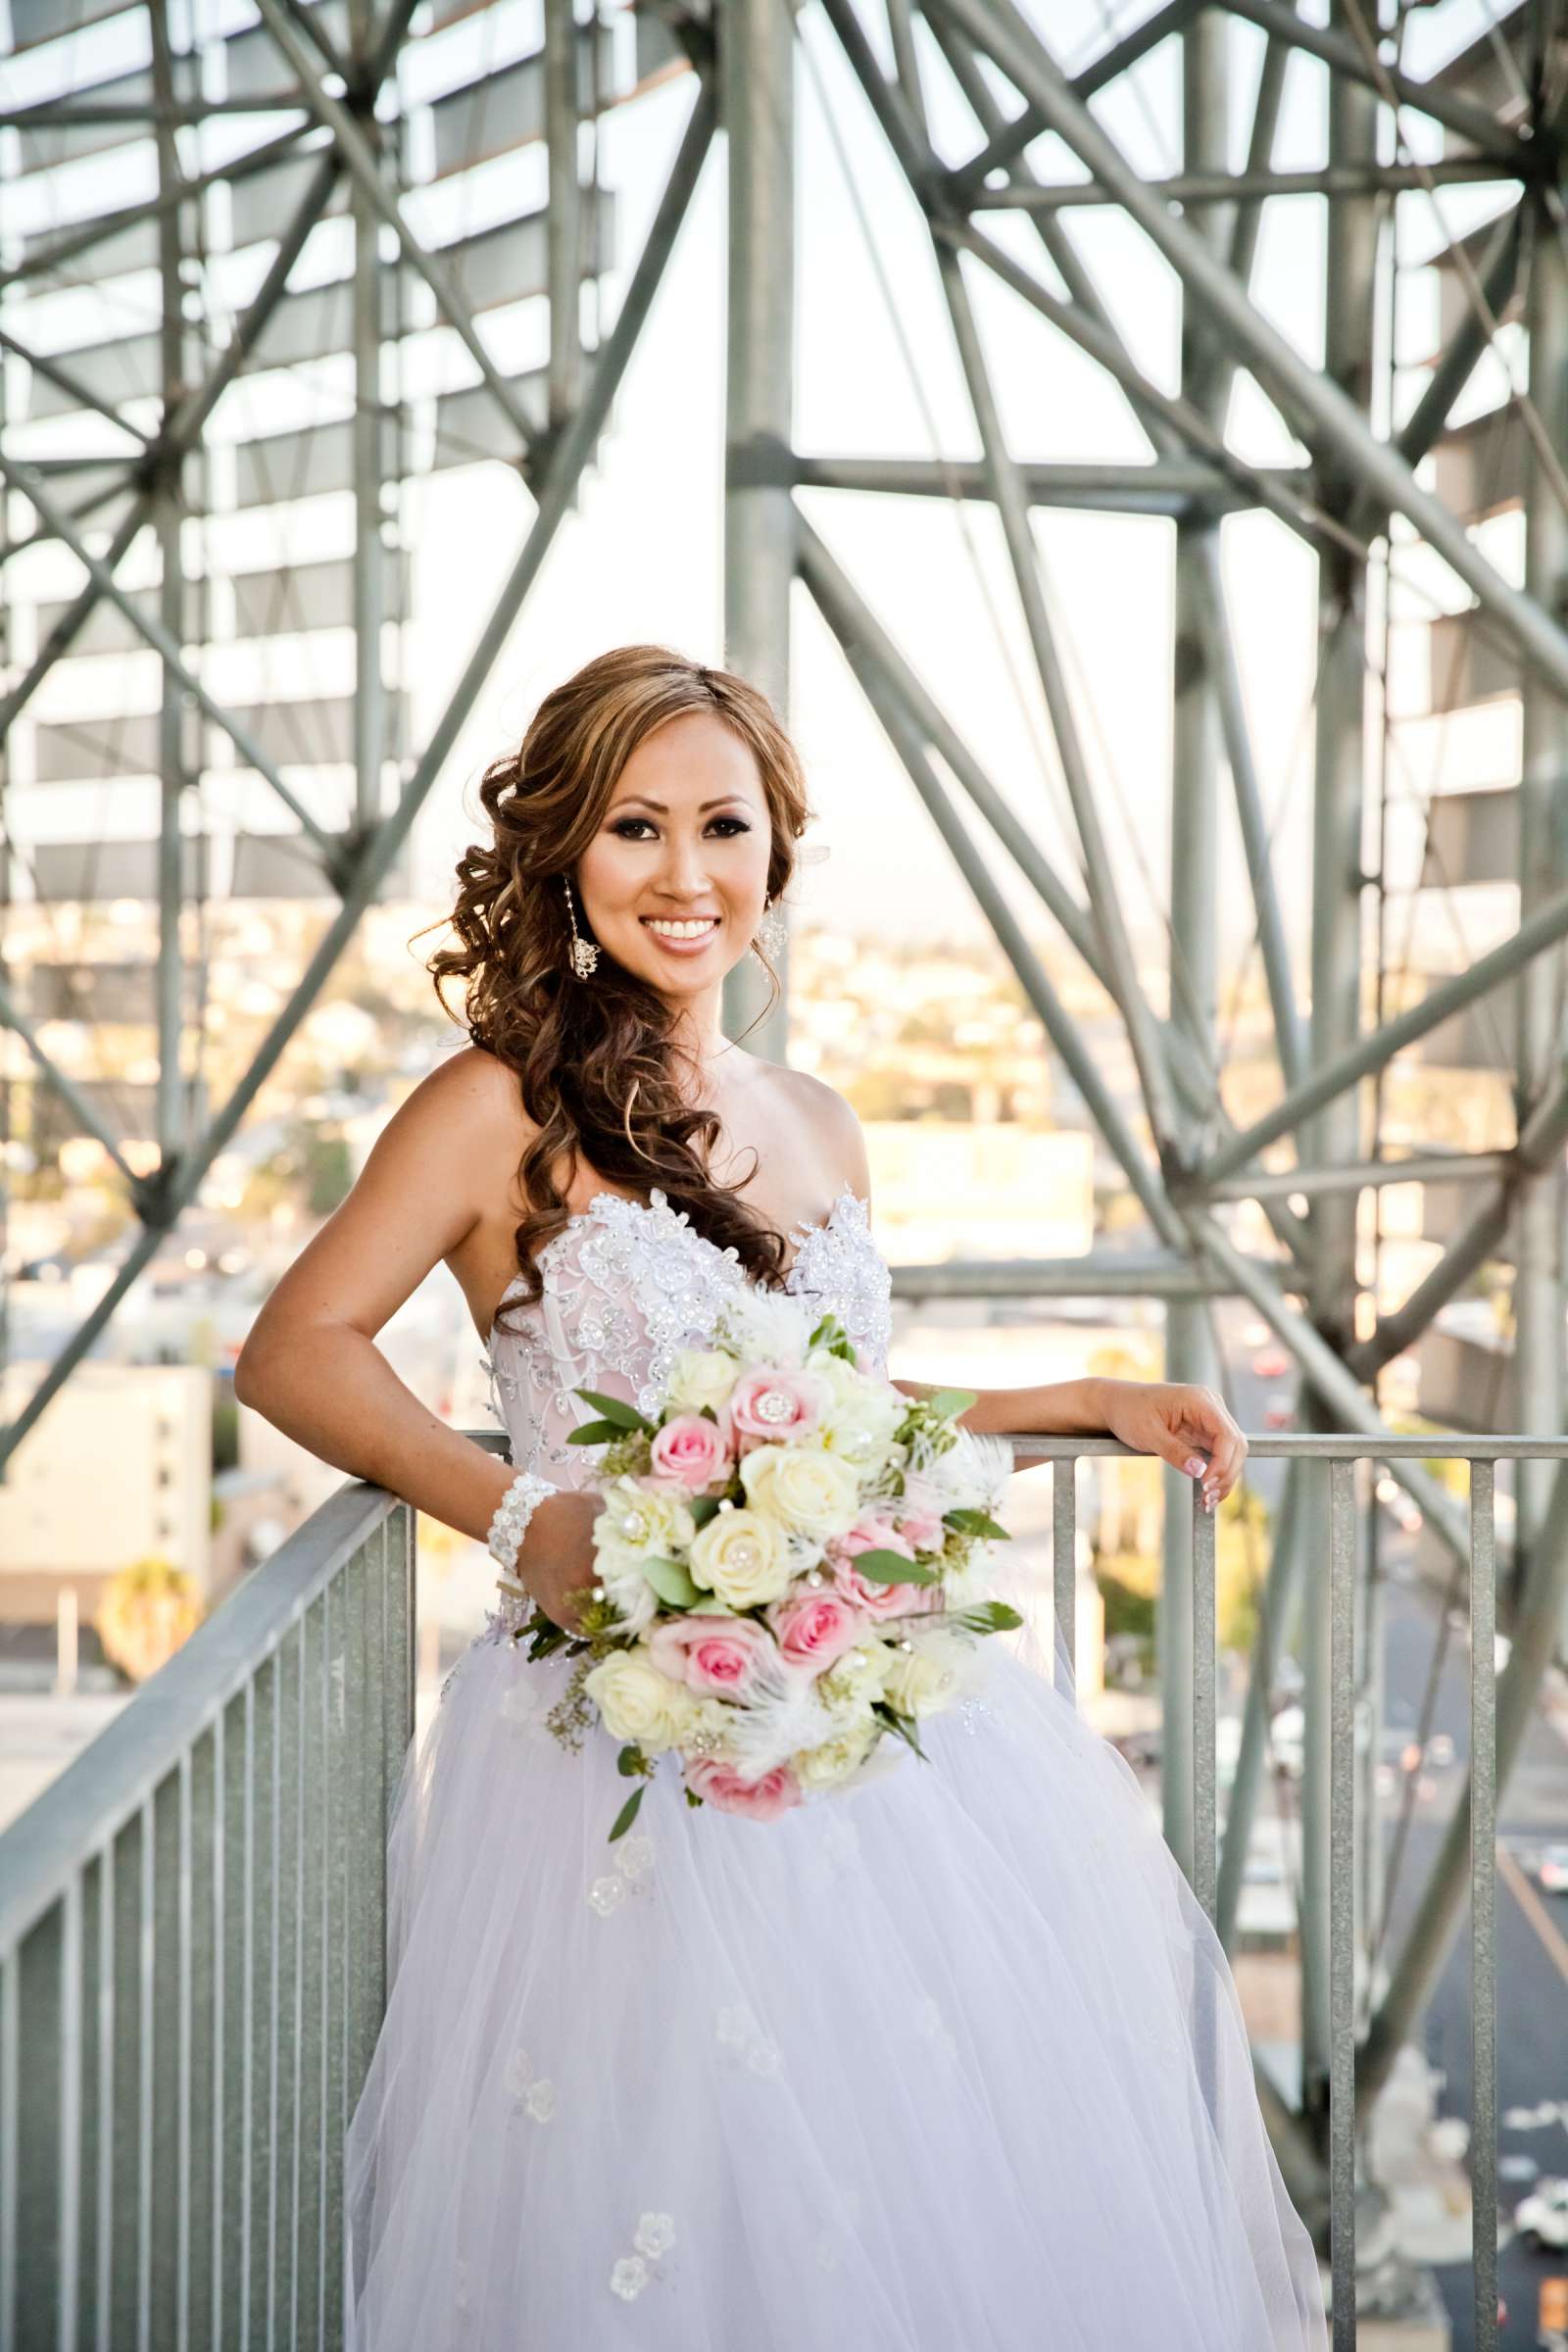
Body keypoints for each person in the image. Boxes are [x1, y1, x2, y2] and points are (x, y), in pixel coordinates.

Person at [234, 643, 1329, 2349]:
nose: (686, 876)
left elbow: (825, 1409)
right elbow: (297, 1347)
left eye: (723, 828)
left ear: (777, 856)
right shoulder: (491, 1112)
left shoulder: (815, 1117)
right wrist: (528, 1519)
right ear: (564, 862)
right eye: (634, 829)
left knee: (920, 2207)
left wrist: (1090, 1398)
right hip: (618, 1750)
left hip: (864, 1741)